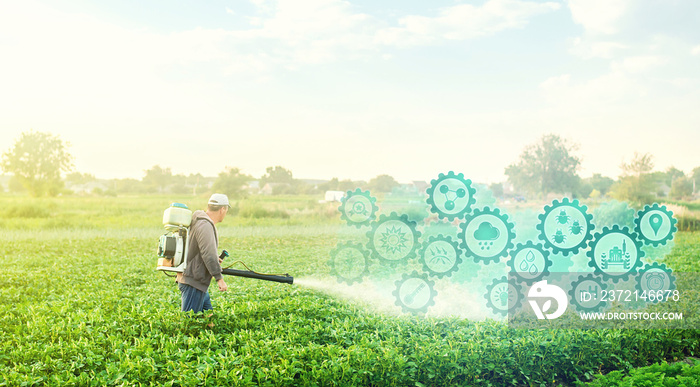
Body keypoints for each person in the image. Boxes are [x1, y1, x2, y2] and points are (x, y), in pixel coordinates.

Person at [176, 193, 230, 314]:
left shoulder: (199, 221)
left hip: (196, 281)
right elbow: (208, 254)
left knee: (208, 318)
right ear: (222, 209)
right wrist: (219, 278)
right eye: (226, 210)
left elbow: (200, 249)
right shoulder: (205, 225)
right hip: (193, 282)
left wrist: (215, 259)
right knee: (189, 322)